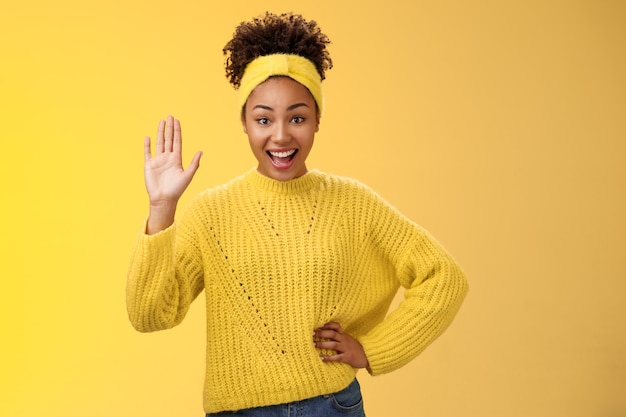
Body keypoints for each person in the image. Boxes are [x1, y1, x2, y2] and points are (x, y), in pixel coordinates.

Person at [126, 12, 468, 417]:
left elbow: (444, 278)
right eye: (264, 119)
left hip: (331, 406)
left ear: (318, 120)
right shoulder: (210, 213)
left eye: (298, 117)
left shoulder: (353, 202)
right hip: (239, 410)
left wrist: (374, 351)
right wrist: (161, 209)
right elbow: (150, 316)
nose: (281, 135)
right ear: (245, 123)